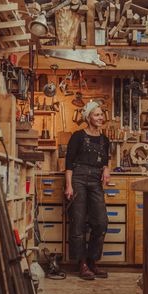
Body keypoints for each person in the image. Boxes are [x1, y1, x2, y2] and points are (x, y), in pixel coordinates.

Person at [65, 101, 110, 280]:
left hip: (95, 180)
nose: (100, 118)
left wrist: (106, 168)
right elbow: (68, 163)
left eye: (101, 115)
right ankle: (82, 263)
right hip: (78, 178)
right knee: (78, 221)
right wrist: (69, 185)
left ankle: (93, 260)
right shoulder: (77, 136)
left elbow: (106, 159)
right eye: (97, 115)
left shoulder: (104, 139)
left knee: (101, 222)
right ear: (88, 117)